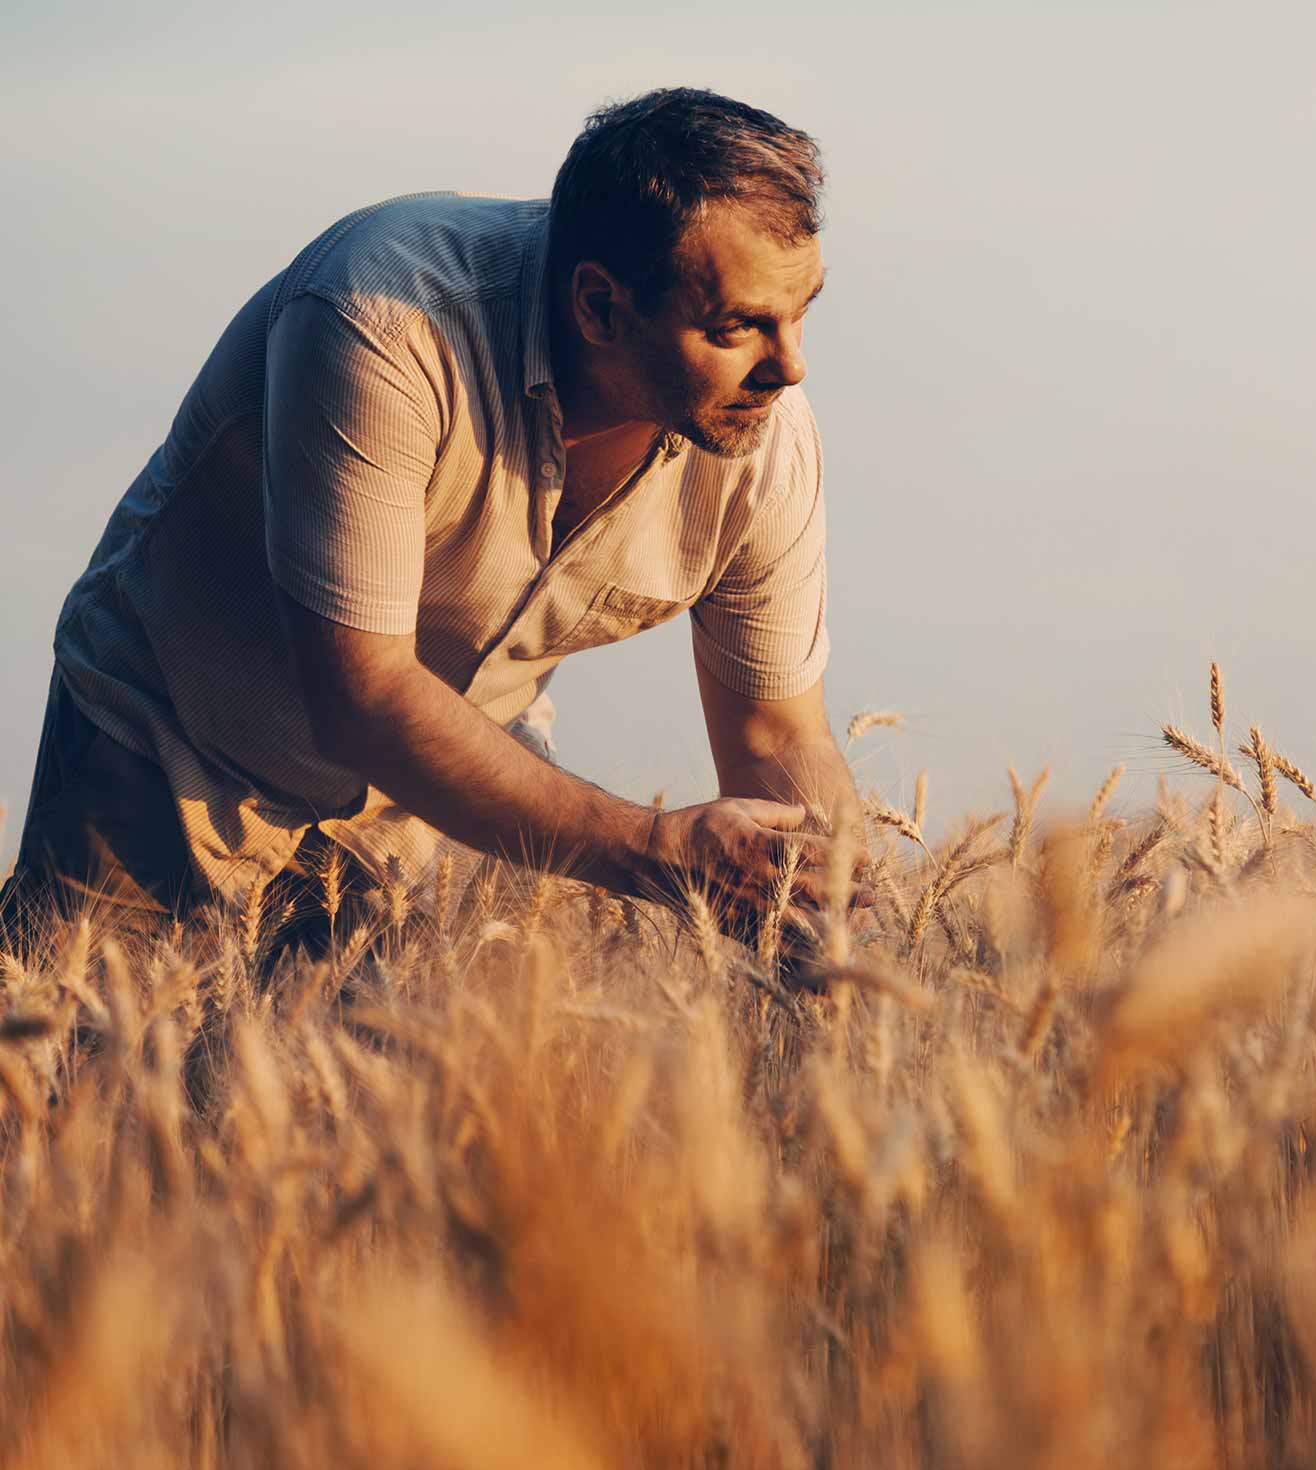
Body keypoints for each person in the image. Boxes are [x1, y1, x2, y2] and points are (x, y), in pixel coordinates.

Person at [0, 87, 857, 959]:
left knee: (374, 1099)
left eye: (802, 311)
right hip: (169, 760)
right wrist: (654, 852)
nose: (789, 366)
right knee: (80, 1081)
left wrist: (840, 933)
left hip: (430, 827)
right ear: (598, 306)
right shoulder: (384, 322)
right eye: (739, 326)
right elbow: (363, 695)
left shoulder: (766, 438)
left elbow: (774, 732)